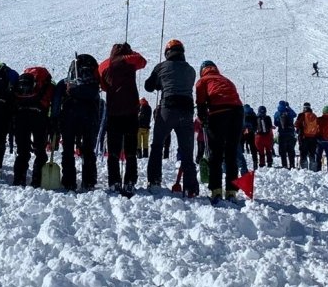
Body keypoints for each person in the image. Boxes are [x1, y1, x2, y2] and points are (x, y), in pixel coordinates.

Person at [144, 39, 197, 195]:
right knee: (187, 151)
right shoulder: (191, 70)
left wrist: (160, 83)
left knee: (157, 146)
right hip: (186, 111)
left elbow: (148, 86)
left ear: (167, 53)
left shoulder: (161, 67)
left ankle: (154, 180)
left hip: (167, 109)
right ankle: (190, 187)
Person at [98, 42, 148, 193]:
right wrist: (131, 52)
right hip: (131, 112)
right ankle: (130, 181)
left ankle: (114, 182)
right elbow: (142, 61)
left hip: (114, 113)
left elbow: (104, 86)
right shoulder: (129, 60)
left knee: (113, 151)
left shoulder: (104, 65)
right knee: (131, 151)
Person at [51, 54, 102, 190]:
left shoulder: (66, 82)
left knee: (68, 150)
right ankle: (89, 181)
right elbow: (98, 103)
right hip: (89, 117)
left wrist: (55, 119)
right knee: (88, 150)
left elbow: (56, 101)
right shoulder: (93, 83)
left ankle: (69, 181)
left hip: (69, 117)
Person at [195, 60, 244, 202]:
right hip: (237, 112)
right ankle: (231, 192)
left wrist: (203, 119)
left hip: (219, 112)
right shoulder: (226, 80)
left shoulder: (202, 81)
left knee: (215, 153)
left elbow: (200, 104)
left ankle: (216, 190)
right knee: (231, 152)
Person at [11, 66, 55, 187]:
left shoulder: (20, 84)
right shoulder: (47, 85)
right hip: (39, 118)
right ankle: (37, 180)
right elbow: (53, 103)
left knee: (22, 152)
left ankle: (18, 179)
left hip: (21, 117)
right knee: (40, 151)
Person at [274, 100, 298, 170]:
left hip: (282, 134)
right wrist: (289, 107)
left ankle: (284, 165)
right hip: (290, 134)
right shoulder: (289, 112)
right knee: (291, 150)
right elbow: (295, 114)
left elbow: (275, 123)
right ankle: (292, 165)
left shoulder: (277, 113)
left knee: (282, 151)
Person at [296, 102, 320, 170]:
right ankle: (313, 169)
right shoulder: (314, 115)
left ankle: (304, 170)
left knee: (303, 154)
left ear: (304, 108)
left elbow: (296, 124)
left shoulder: (302, 115)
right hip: (313, 138)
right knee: (312, 154)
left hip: (304, 138)